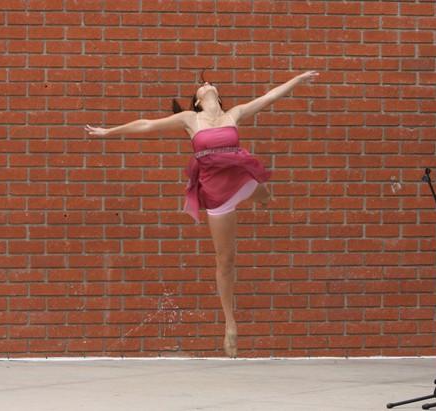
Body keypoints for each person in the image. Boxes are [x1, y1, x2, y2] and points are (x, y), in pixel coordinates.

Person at [85, 70, 320, 358]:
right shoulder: (190, 119)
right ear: (197, 101)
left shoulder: (234, 113)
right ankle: (230, 324)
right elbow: (147, 124)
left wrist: (297, 80)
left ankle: (262, 197)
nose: (206, 84)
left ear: (217, 97)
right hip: (217, 192)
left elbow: (269, 97)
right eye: (202, 85)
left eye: (210, 83)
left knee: (258, 187)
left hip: (241, 178)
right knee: (225, 260)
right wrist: (109, 131)